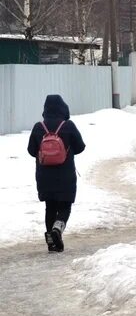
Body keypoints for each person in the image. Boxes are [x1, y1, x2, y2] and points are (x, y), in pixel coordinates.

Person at [27, 95, 86, 252]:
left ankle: (52, 242)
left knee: (50, 207)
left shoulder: (38, 127)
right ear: (63, 108)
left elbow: (31, 151)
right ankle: (57, 229)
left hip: (44, 176)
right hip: (65, 175)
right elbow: (80, 147)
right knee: (65, 205)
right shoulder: (68, 125)